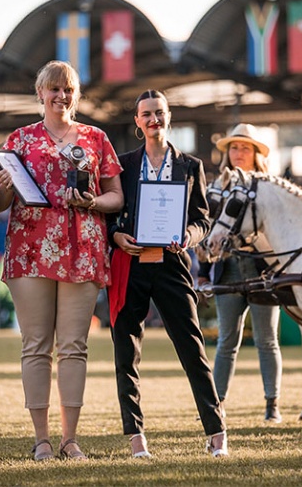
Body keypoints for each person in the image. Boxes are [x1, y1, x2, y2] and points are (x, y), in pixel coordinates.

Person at [0, 60, 124, 461]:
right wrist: (0, 188)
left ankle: (70, 439)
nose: (61, 95)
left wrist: (93, 201)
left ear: (75, 95)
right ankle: (41, 440)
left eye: (68, 89)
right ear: (41, 93)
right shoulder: (19, 139)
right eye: (54, 88)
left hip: (83, 249)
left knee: (74, 347)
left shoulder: (96, 138)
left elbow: (116, 196)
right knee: (35, 346)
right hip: (31, 251)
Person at [107, 89, 228, 459]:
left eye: (159, 113)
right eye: (146, 114)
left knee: (192, 348)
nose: (153, 119)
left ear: (168, 116)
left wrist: (188, 237)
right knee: (126, 351)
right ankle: (136, 437)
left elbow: (202, 218)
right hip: (131, 262)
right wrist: (115, 235)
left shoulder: (190, 165)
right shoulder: (123, 164)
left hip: (172, 264)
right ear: (137, 121)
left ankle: (217, 432)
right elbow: (111, 212)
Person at [196, 123, 283, 423]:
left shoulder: (269, 186)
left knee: (267, 340)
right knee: (226, 342)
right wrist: (204, 272)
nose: (238, 152)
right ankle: (216, 406)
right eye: (234, 147)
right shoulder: (216, 187)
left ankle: (272, 404)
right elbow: (209, 233)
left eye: (245, 147)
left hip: (262, 269)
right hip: (228, 269)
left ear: (256, 153)